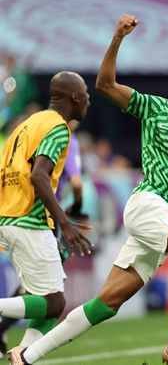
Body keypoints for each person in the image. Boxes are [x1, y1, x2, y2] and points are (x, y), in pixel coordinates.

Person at [9, 14, 168, 365]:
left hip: (167, 216)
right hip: (148, 204)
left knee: (105, 305)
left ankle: (28, 355)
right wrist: (118, 38)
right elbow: (106, 84)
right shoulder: (155, 109)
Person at [0, 72, 92, 356]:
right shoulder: (57, 127)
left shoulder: (27, 125)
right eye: (86, 93)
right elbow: (39, 176)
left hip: (10, 215)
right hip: (29, 219)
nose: (89, 99)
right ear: (75, 97)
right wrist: (65, 223)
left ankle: (23, 356)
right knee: (53, 303)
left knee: (48, 301)